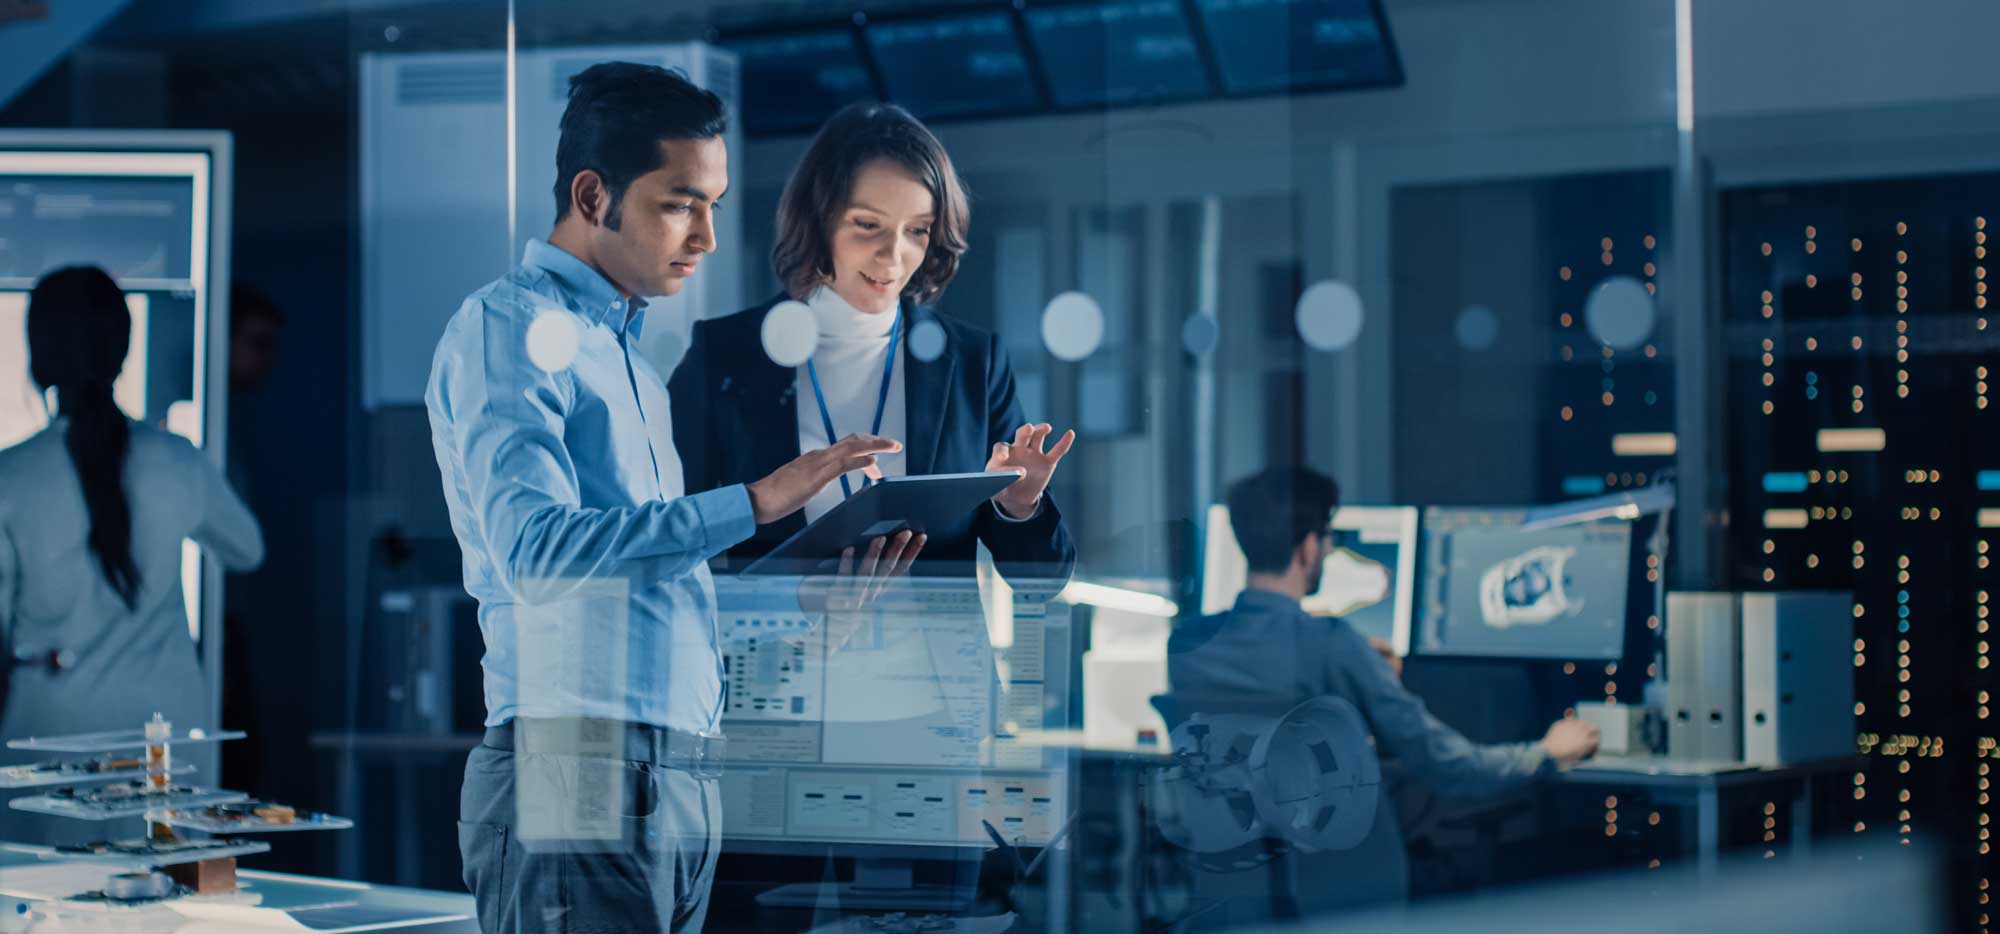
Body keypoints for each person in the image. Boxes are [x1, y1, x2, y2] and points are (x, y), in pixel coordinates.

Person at [426, 63, 916, 932]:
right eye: (680, 203)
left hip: (676, 773)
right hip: (576, 761)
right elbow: (537, 554)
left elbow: (643, 583)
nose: (706, 238)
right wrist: (757, 501)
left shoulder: (628, 364)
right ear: (592, 195)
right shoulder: (508, 329)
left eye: (715, 205)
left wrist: (801, 606)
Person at [1165, 466, 1600, 923]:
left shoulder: (1188, 647)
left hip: (1234, 894)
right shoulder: (1332, 645)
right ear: (1310, 546)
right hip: (1345, 902)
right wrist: (1548, 752)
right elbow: (1450, 767)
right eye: (1328, 538)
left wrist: (1359, 677)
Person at [670, 101, 1075, 580]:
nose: (893, 255)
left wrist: (1020, 505)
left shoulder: (973, 363)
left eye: (917, 230)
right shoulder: (725, 355)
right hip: (778, 651)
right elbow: (672, 541)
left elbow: (1041, 581)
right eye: (868, 225)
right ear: (820, 219)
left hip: (932, 652)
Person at [0, 266, 265, 843]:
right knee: (167, 909)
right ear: (121, 352)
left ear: (38, 356)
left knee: (43, 912)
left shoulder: (10, 476)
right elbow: (246, 549)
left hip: (48, 729)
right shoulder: (176, 460)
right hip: (164, 733)